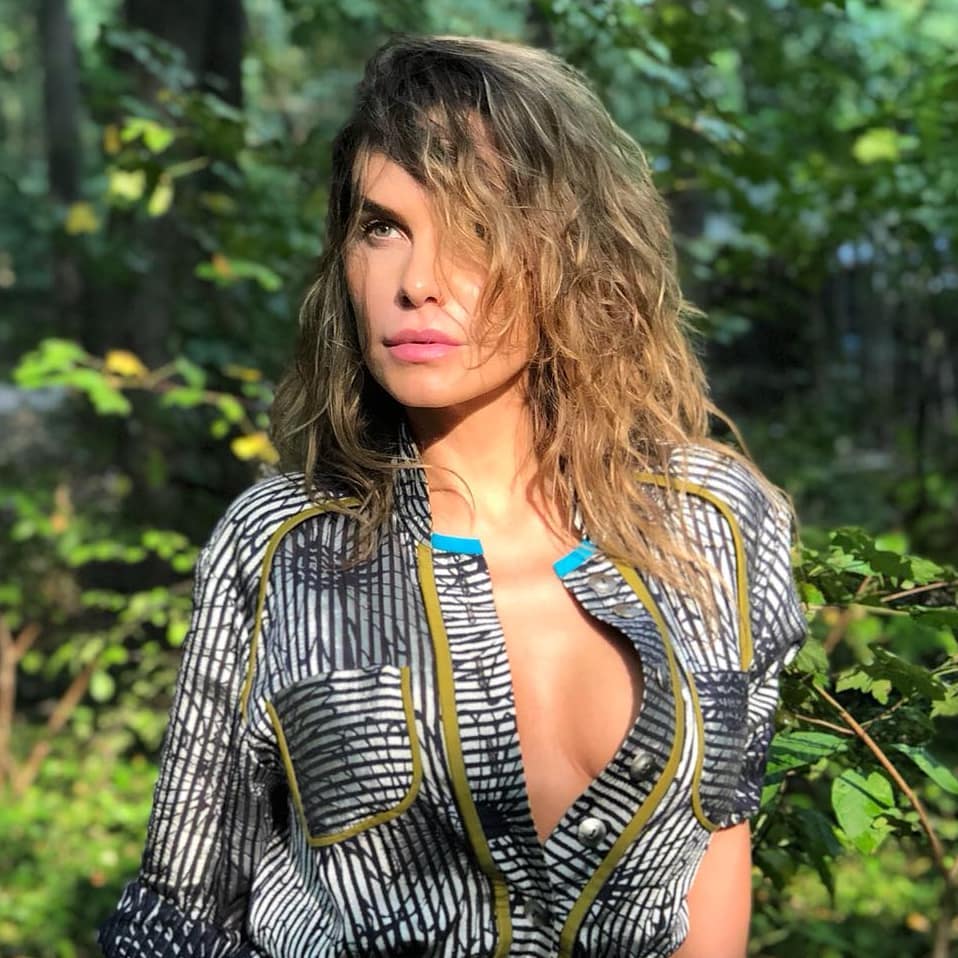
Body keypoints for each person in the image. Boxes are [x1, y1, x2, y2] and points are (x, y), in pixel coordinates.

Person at [98, 33, 807, 958]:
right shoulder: (280, 547)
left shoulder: (712, 521)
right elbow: (185, 911)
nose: (418, 283)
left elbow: (719, 835)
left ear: (573, 252)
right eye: (382, 228)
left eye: (473, 229)